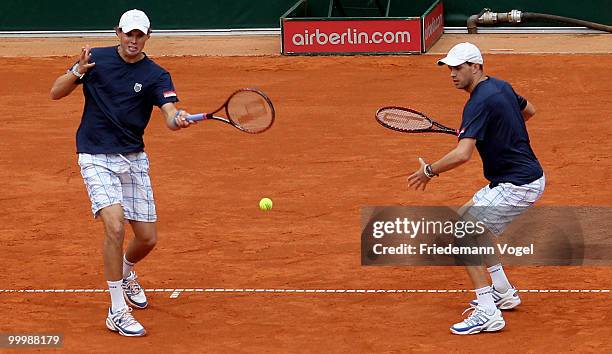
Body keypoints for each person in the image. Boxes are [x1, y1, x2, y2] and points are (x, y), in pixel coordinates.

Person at [50, 9, 196, 336]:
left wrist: (178, 118)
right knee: (114, 227)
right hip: (95, 154)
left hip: (133, 159)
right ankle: (116, 309)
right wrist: (77, 71)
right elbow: (56, 92)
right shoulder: (95, 59)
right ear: (118, 32)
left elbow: (169, 114)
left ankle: (127, 271)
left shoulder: (157, 75)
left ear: (148, 37)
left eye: (139, 35)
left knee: (147, 238)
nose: (133, 40)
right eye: (128, 34)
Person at [407, 42, 545, 335]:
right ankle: (503, 290)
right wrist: (499, 131)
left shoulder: (478, 103)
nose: (452, 74)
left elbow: (462, 154)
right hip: (522, 178)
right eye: (450, 69)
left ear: (476, 67)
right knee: (469, 223)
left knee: (462, 232)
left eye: (459, 68)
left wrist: (429, 171)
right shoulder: (501, 86)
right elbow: (529, 111)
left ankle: (487, 310)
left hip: (518, 184)